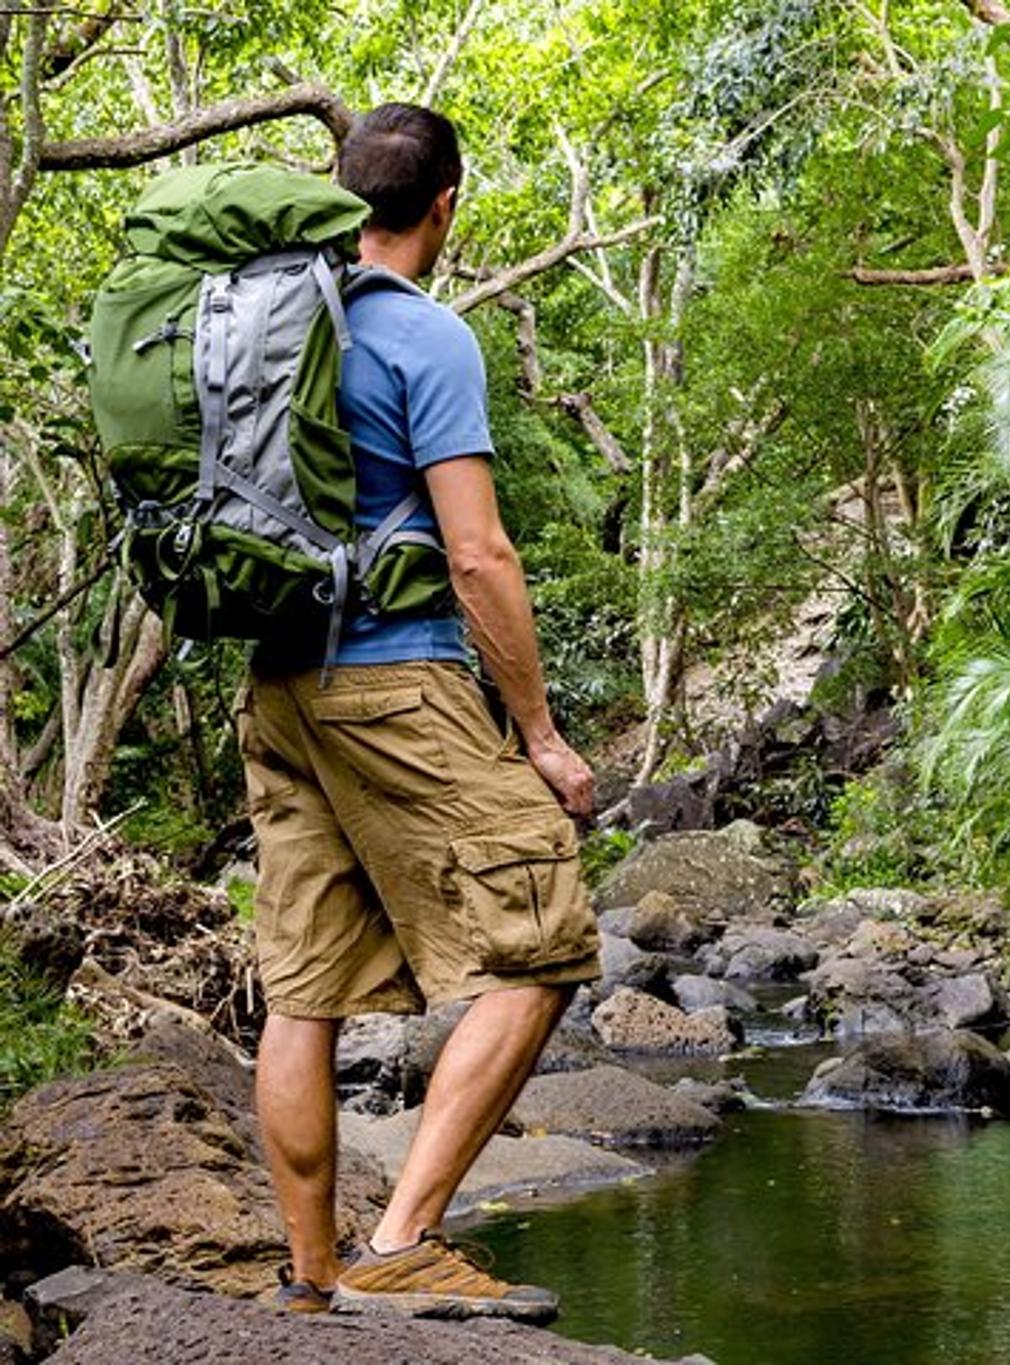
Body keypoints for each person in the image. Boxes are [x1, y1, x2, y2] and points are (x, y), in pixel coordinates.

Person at [242, 102, 599, 1321]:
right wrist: (539, 736)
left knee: (304, 988)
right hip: (394, 679)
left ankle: (311, 1280)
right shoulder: (422, 336)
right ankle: (402, 1235)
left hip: (280, 686)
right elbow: (480, 557)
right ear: (443, 205)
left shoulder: (270, 325)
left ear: (341, 196)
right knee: (545, 935)